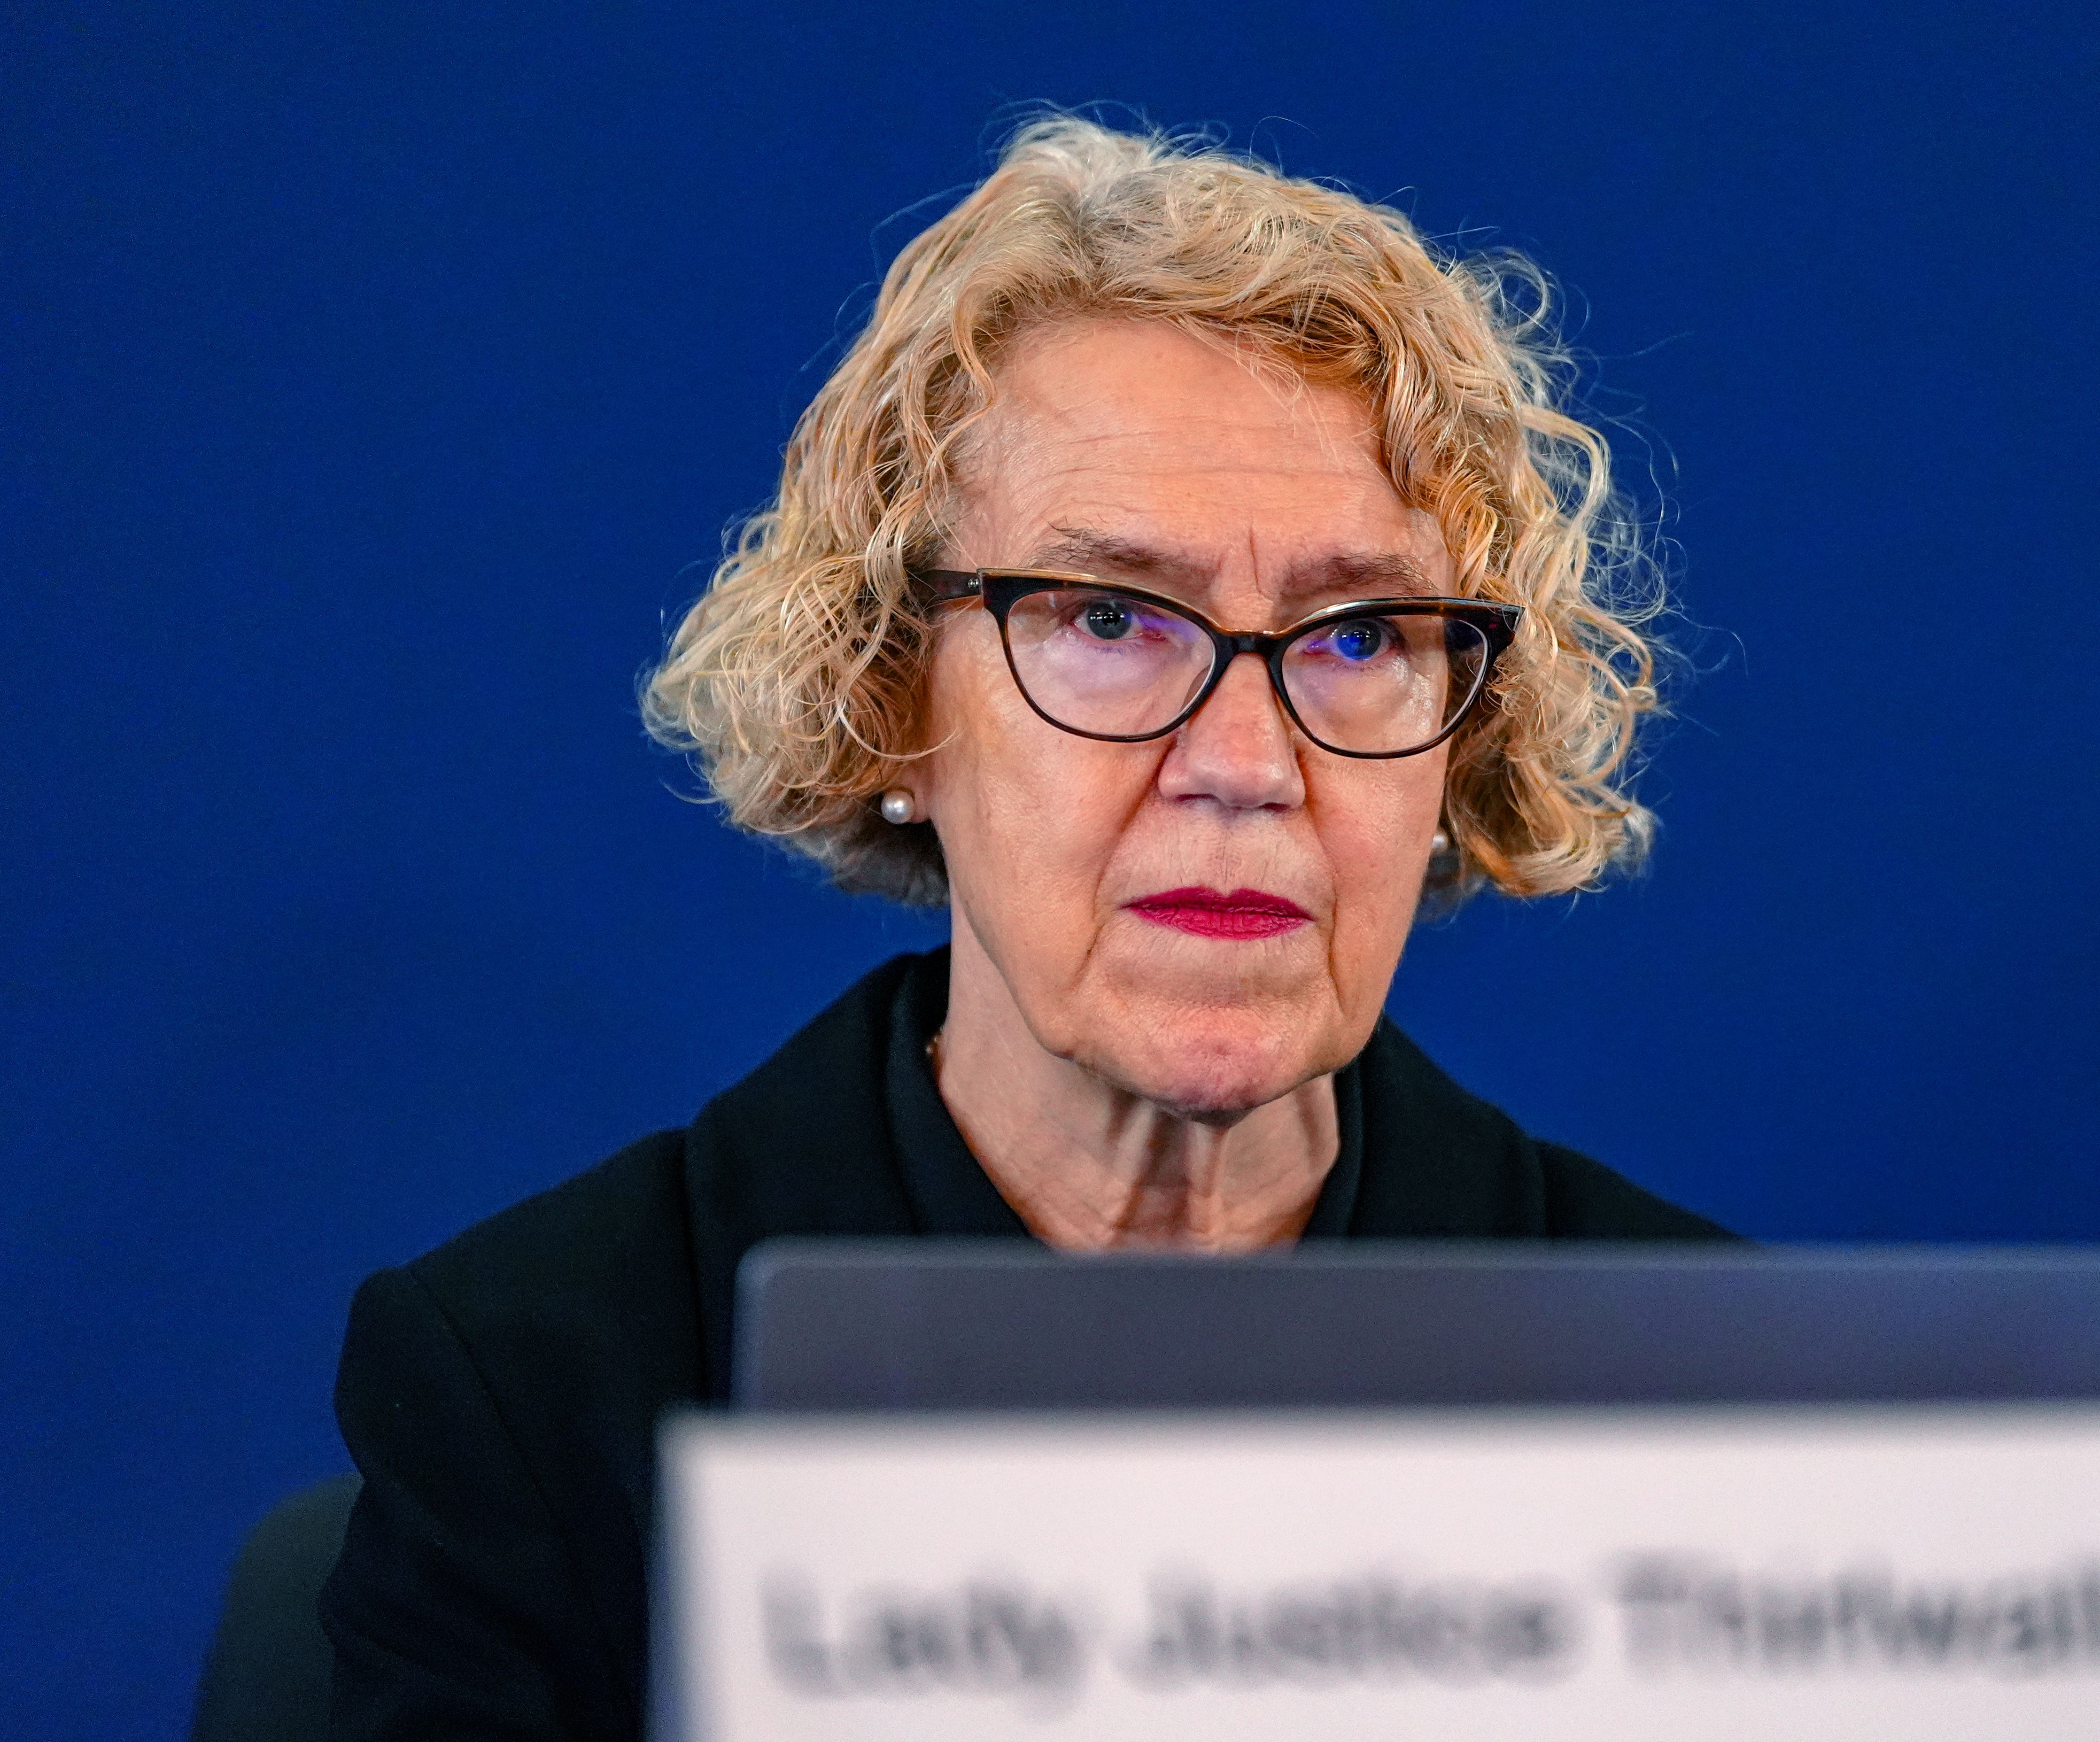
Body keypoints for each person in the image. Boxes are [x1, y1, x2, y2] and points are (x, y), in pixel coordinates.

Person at [320, 115, 1734, 1741]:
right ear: (891, 699)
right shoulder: (542, 1385)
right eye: (1110, 620)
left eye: (1359, 637)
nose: (1245, 766)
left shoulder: (1699, 1388)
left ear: (1459, 743)